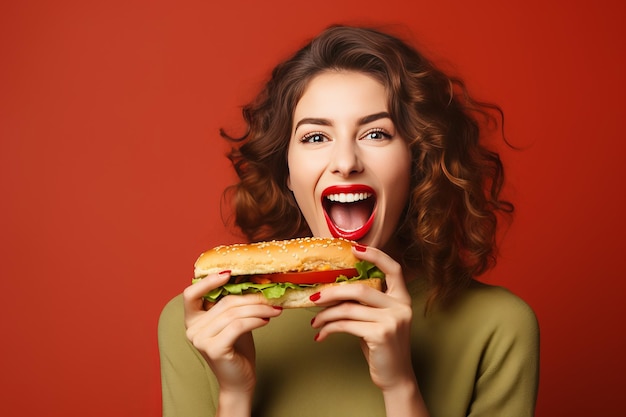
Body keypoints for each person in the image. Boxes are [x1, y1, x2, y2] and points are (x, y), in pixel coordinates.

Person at [158, 24, 539, 417]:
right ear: (286, 170)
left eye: (375, 134)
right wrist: (235, 395)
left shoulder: (499, 326)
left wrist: (400, 385)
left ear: (418, 160)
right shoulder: (199, 325)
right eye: (316, 138)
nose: (345, 163)